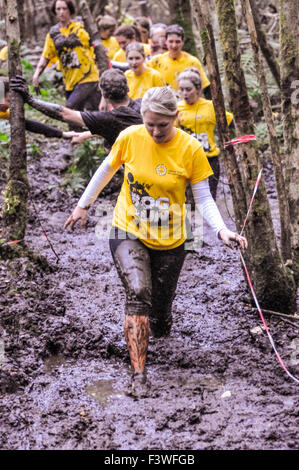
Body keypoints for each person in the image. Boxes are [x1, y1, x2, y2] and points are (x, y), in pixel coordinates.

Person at [63, 86, 247, 397]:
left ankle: (160, 325)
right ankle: (138, 374)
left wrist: (221, 231)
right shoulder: (131, 137)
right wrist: (83, 205)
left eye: (163, 124)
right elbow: (106, 169)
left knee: (160, 311)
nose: (156, 131)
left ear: (175, 118)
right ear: (142, 119)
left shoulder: (190, 149)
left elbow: (203, 197)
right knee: (138, 292)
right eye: (150, 124)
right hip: (127, 229)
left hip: (172, 238)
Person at [10, 69, 143, 151]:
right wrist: (86, 134)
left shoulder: (109, 118)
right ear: (128, 89)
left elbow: (63, 113)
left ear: (103, 95)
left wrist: (30, 99)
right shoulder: (144, 103)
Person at [32, 0, 100, 112]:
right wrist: (36, 75)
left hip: (88, 76)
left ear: (70, 10)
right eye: (58, 9)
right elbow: (46, 56)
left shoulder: (79, 28)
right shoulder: (53, 34)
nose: (61, 12)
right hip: (70, 81)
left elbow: (94, 45)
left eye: (64, 8)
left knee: (70, 108)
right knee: (80, 114)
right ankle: (79, 130)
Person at [177, 68, 234, 200]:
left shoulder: (210, 106)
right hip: (185, 160)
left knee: (209, 199)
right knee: (188, 201)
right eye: (181, 89)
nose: (184, 93)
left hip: (209, 159)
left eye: (188, 89)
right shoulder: (176, 109)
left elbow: (231, 121)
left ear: (198, 89)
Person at [0, 77, 74, 139]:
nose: (11, 106)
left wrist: (62, 134)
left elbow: (28, 124)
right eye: (9, 101)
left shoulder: (3, 112)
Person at [146, 24, 210, 95]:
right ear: (166, 41)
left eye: (177, 42)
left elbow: (205, 87)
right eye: (171, 41)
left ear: (183, 42)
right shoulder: (156, 61)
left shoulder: (192, 62)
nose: (174, 45)